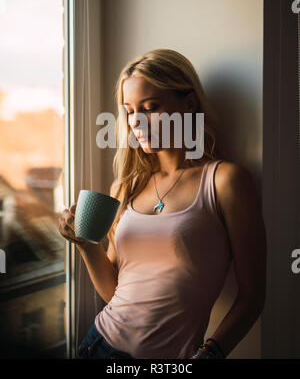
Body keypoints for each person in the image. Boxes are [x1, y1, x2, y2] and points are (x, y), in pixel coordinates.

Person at [57, 48, 266, 359]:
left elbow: (253, 296)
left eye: (151, 107)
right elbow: (116, 292)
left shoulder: (225, 181)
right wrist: (86, 244)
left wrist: (211, 353)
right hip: (96, 344)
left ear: (189, 104)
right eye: (129, 110)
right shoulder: (127, 186)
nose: (136, 121)